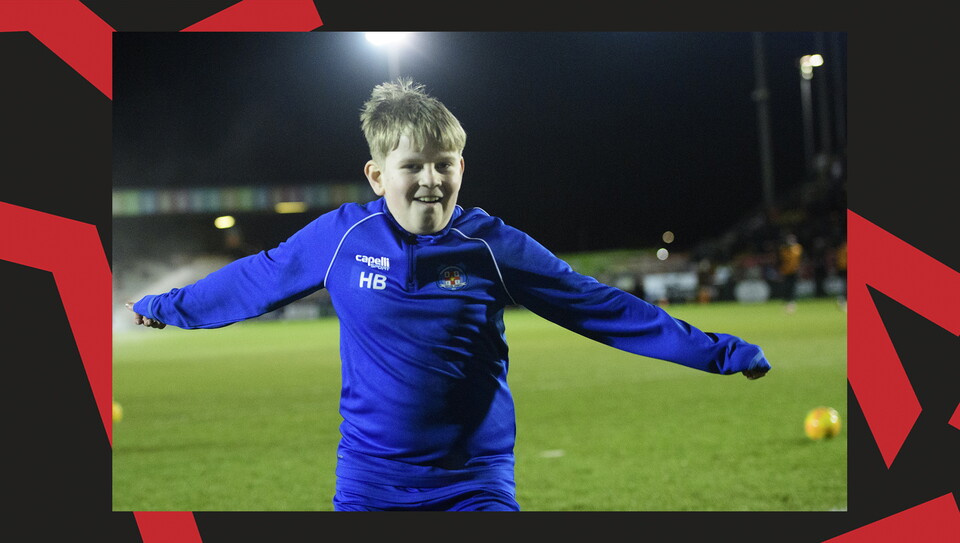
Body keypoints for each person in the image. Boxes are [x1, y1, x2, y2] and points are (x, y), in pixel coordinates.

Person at [126, 78, 771, 512]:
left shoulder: (493, 245)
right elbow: (257, 278)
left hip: (475, 480)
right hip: (371, 480)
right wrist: (164, 306)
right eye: (412, 165)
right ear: (378, 175)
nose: (431, 179)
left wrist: (719, 351)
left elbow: (598, 307)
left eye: (445, 163)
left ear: (463, 167)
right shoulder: (340, 237)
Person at [777, 232, 803, 313]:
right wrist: (780, 271)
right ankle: (786, 300)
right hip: (785, 271)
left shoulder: (798, 248)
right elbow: (780, 261)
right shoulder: (783, 249)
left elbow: (800, 260)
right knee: (786, 286)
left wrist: (800, 269)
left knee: (793, 286)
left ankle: (792, 301)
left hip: (794, 271)